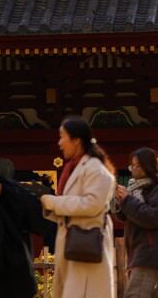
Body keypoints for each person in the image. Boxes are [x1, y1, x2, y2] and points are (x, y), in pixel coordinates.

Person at [39, 116, 117, 298]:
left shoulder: (95, 169)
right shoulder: (75, 167)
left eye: (62, 137)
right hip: (75, 243)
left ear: (76, 140)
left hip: (87, 245)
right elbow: (74, 207)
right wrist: (49, 207)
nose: (59, 143)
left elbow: (92, 204)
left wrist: (55, 202)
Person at [113, 148, 158, 298]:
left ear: (148, 167)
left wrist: (127, 200)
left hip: (150, 251)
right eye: (132, 165)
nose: (133, 169)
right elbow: (125, 217)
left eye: (137, 166)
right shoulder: (133, 189)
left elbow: (151, 218)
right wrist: (119, 200)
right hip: (137, 251)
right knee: (152, 294)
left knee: (135, 294)